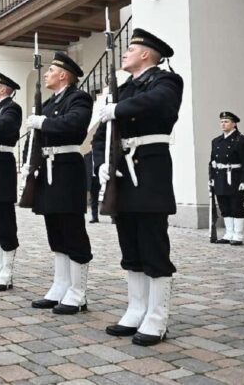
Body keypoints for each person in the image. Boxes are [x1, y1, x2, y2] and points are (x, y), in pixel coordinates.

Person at [92, 28, 183, 346]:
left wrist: (118, 108)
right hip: (121, 171)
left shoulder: (165, 81)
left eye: (130, 49)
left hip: (149, 170)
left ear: (146, 54)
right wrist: (101, 161)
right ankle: (136, 309)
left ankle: (157, 317)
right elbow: (103, 132)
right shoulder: (123, 88)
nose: (124, 53)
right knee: (129, 243)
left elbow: (159, 103)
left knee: (153, 244)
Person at [27, 52, 93, 315]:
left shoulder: (79, 98)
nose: (46, 74)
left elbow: (75, 124)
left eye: (51, 70)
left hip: (66, 169)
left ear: (64, 75)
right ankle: (61, 285)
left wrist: (44, 122)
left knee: (72, 230)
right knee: (55, 230)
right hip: (47, 169)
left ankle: (78, 292)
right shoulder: (48, 103)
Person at [0, 71, 22, 292]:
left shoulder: (11, 108)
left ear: (2, 88)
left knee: (4, 219)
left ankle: (6, 270)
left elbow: (3, 128)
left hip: (1, 164)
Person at [209, 111, 244, 245]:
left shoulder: (242, 140)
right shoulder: (216, 141)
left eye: (226, 121)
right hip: (220, 178)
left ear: (234, 124)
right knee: (224, 207)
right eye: (221, 122)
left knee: (236, 207)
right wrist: (211, 178)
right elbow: (212, 162)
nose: (223, 124)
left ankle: (238, 235)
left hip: (235, 178)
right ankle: (229, 234)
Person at [84, 151, 100, 223]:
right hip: (92, 180)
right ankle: (95, 217)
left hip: (101, 178)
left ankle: (113, 217)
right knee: (94, 200)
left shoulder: (100, 154)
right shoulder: (86, 156)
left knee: (108, 197)